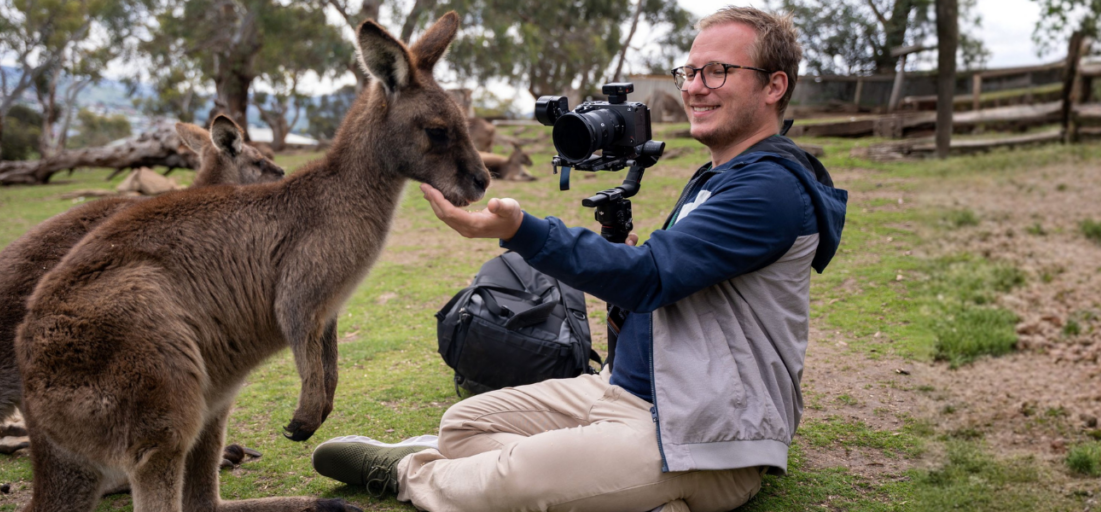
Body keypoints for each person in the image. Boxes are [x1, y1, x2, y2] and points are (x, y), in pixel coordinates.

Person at [308, 6, 849, 512]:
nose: (694, 87)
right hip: (625, 389)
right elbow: (671, 282)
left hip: (701, 428)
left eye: (718, 71)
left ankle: (410, 477)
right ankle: (621, 493)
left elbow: (652, 276)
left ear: (774, 85)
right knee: (461, 425)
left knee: (514, 480)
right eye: (689, 71)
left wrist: (522, 230)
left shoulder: (771, 189)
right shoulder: (719, 174)